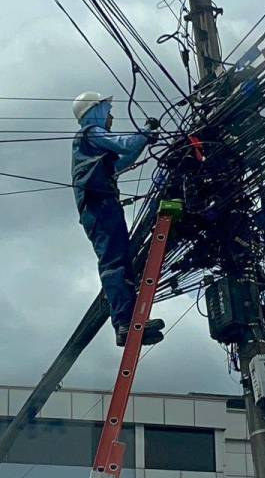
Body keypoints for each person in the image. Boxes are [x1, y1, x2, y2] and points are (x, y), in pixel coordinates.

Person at [71, 91, 165, 347]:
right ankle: (124, 323)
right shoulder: (90, 133)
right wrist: (145, 132)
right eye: (107, 110)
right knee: (115, 263)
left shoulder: (93, 150)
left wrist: (144, 139)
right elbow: (125, 144)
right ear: (95, 111)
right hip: (99, 207)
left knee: (123, 262)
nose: (111, 116)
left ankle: (131, 322)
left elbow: (124, 159)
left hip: (104, 206)